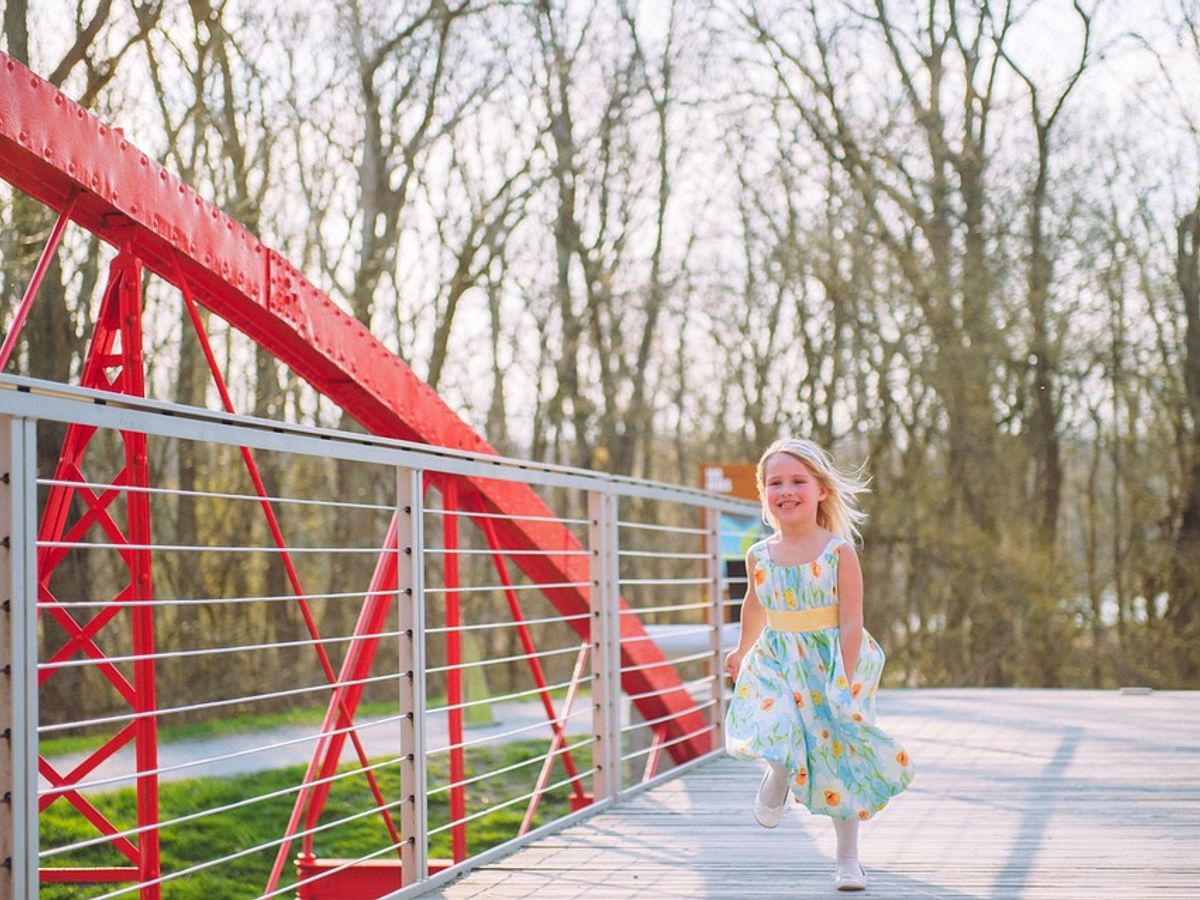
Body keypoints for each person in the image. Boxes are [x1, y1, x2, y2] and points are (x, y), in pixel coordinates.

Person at [723, 438, 914, 892]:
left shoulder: (837, 552)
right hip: (778, 657)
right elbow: (755, 605)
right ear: (764, 493)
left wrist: (843, 679)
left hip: (833, 661)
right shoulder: (759, 555)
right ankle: (780, 772)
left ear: (821, 490)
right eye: (775, 483)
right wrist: (741, 648)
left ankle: (848, 859)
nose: (785, 491)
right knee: (773, 725)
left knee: (838, 757)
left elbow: (852, 622)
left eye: (797, 481)